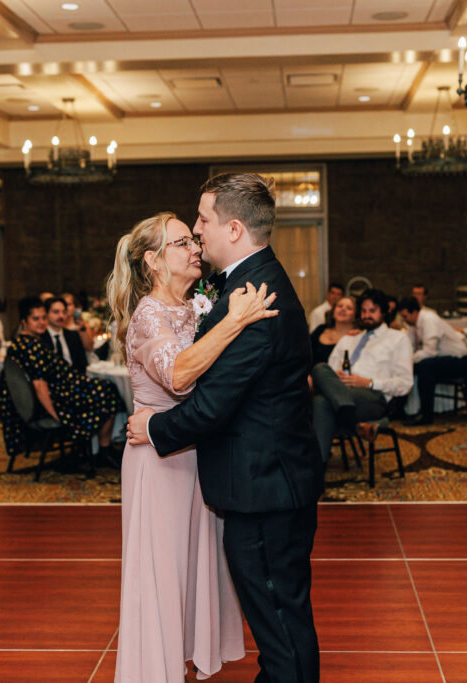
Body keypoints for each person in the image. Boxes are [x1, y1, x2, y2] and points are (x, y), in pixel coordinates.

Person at [127, 172, 324, 682]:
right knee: (278, 620)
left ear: (233, 229)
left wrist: (154, 429)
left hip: (264, 489)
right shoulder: (245, 287)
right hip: (262, 480)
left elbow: (212, 405)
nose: (198, 232)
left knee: (279, 622)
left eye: (203, 220)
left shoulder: (253, 296)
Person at [107, 210, 279, 682]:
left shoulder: (200, 303)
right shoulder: (148, 314)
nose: (196, 248)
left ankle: (180, 662)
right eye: (182, 242)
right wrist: (235, 322)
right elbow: (180, 374)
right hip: (158, 462)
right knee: (161, 573)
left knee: (191, 567)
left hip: (194, 455)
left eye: (193, 239)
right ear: (154, 262)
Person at [0, 296, 121, 466]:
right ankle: (98, 449)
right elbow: (39, 385)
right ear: (24, 321)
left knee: (106, 389)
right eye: (35, 319)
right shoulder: (28, 345)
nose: (41, 322)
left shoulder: (28, 341)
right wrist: (56, 416)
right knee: (107, 390)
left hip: (65, 388)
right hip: (57, 399)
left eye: (43, 318)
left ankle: (96, 449)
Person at [311, 289, 414, 463]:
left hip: (374, 397)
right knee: (320, 369)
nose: (367, 315)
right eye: (364, 311)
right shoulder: (349, 339)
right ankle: (349, 418)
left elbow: (405, 384)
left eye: (372, 311)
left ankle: (314, 472)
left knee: (320, 402)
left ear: (384, 311)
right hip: (343, 393)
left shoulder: (397, 339)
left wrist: (370, 383)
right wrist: (336, 375)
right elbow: (330, 370)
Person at [397, 296, 467, 426]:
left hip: (459, 361)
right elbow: (410, 347)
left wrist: (409, 360)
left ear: (414, 312)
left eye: (405, 316)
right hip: (442, 359)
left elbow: (430, 351)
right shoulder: (414, 324)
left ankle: (426, 415)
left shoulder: (429, 319)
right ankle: (399, 410)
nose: (404, 320)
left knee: (425, 367)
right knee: (407, 367)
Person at [40, 296, 89, 374]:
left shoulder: (73, 336)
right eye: (56, 312)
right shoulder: (40, 338)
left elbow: (83, 364)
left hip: (76, 378)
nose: (61, 316)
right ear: (46, 313)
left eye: (64, 312)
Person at [310, 295, 357, 365]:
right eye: (340, 306)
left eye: (349, 308)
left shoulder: (357, 336)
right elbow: (304, 355)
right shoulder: (320, 329)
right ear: (333, 311)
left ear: (355, 315)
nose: (343, 309)